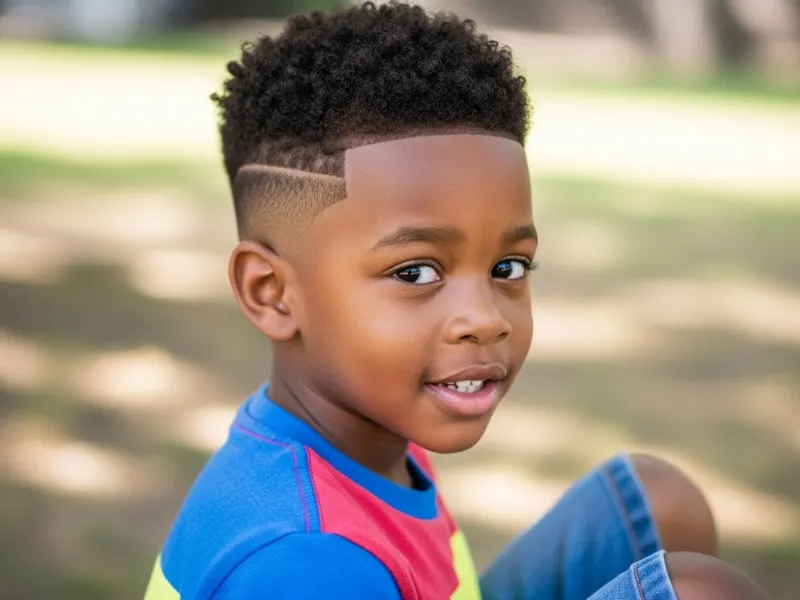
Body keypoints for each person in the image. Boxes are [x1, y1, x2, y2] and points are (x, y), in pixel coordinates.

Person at [142, 2, 771, 599]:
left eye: (508, 266)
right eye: (416, 272)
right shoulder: (308, 561)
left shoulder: (365, 428)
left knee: (659, 502)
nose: (485, 318)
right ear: (272, 293)